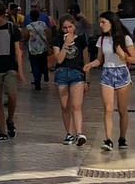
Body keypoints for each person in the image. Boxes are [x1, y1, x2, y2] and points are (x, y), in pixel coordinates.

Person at [83, 11, 134, 151]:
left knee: (122, 110)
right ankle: (108, 139)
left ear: (112, 23)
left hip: (122, 72)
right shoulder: (101, 40)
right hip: (107, 73)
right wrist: (91, 65)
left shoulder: (126, 39)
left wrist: (122, 54)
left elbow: (133, 58)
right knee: (108, 108)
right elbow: (100, 59)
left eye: (103, 22)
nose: (100, 25)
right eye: (100, 22)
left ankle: (122, 138)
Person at [0, 0, 26, 142]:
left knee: (12, 97)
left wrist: (20, 70)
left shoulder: (12, 28)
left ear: (2, 14)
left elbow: (17, 50)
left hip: (10, 67)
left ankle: (10, 119)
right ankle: (2, 131)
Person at [52, 14, 89, 146]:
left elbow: (86, 60)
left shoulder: (80, 40)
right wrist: (66, 45)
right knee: (65, 106)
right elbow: (59, 59)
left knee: (76, 105)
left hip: (77, 74)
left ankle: (79, 133)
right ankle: (69, 133)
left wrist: (87, 79)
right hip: (62, 74)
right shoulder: (57, 40)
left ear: (74, 26)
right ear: (61, 28)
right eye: (64, 27)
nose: (68, 30)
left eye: (70, 27)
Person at [26, 9, 51, 90]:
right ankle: (45, 73)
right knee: (43, 62)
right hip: (43, 47)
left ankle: (37, 81)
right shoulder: (42, 24)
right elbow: (48, 33)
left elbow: (26, 37)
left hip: (33, 49)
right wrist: (49, 41)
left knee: (35, 65)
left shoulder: (29, 26)